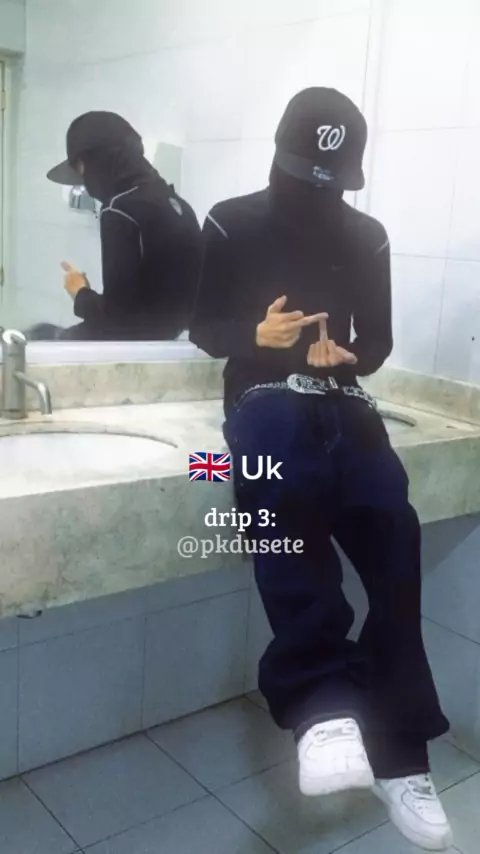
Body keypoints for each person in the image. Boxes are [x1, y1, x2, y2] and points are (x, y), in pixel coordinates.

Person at [190, 88, 453, 851]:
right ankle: (323, 705)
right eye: (309, 175)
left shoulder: (367, 236)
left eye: (332, 182)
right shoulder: (230, 221)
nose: (319, 194)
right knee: (284, 495)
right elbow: (205, 327)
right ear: (281, 158)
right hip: (263, 398)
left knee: (394, 539)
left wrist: (351, 357)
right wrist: (257, 335)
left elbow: (378, 341)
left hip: (344, 400)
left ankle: (400, 756)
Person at [42, 111, 201, 341]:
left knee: (44, 337)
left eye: (83, 170)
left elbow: (118, 319)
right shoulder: (179, 205)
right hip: (173, 344)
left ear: (97, 160)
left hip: (136, 349)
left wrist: (80, 293)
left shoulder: (119, 209)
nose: (86, 184)